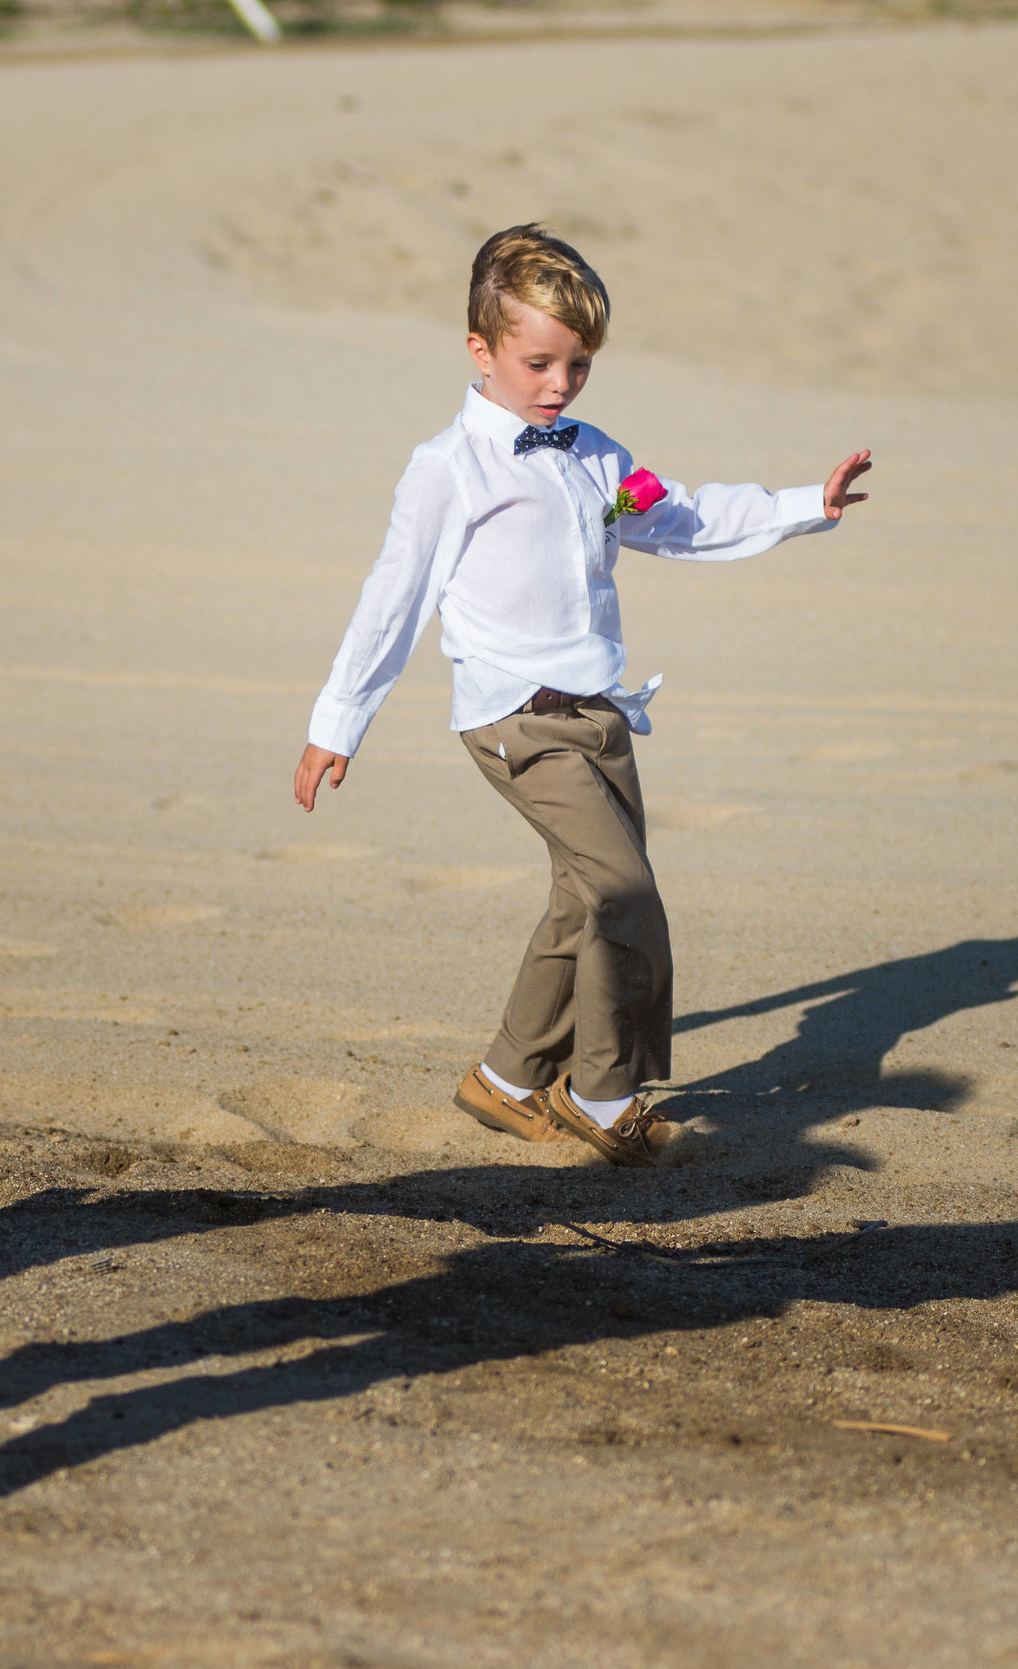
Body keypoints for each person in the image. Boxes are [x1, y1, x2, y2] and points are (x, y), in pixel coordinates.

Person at [293, 224, 871, 1166]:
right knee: (623, 891)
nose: (560, 384)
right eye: (539, 362)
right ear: (481, 351)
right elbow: (391, 600)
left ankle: (509, 1077)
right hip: (514, 719)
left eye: (579, 365)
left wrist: (807, 504)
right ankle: (602, 1094)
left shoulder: (595, 456)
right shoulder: (449, 468)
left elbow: (674, 513)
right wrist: (336, 723)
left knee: (579, 899)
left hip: (600, 714)